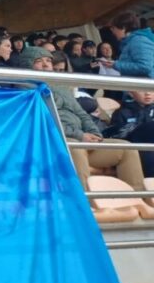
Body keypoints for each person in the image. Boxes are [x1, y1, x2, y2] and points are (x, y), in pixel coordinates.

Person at [23, 47, 145, 192]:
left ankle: (137, 197)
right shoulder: (25, 91)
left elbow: (81, 114)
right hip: (55, 143)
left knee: (126, 148)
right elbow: (46, 122)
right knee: (76, 147)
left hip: (83, 139)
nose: (45, 65)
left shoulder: (61, 87)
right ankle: (83, 202)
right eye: (38, 61)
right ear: (27, 64)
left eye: (48, 60)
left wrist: (95, 134)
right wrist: (80, 136)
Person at [106, 91, 154, 177]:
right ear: (131, 93)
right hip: (135, 147)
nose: (147, 93)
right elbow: (116, 136)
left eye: (151, 89)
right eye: (142, 90)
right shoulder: (122, 112)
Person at [109, 12, 154, 79]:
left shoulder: (138, 40)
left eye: (113, 28)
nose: (112, 32)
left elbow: (145, 66)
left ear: (123, 28)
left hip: (143, 87)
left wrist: (116, 64)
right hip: (139, 86)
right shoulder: (131, 42)